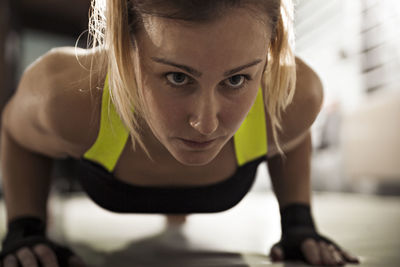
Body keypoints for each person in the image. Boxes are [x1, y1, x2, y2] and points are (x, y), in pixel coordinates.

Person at [0, 0, 361, 266]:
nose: (206, 124)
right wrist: (26, 228)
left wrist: (299, 221)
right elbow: (18, 136)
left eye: (236, 79)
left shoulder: (295, 94)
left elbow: (292, 136)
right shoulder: (61, 94)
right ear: (125, 49)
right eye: (177, 77)